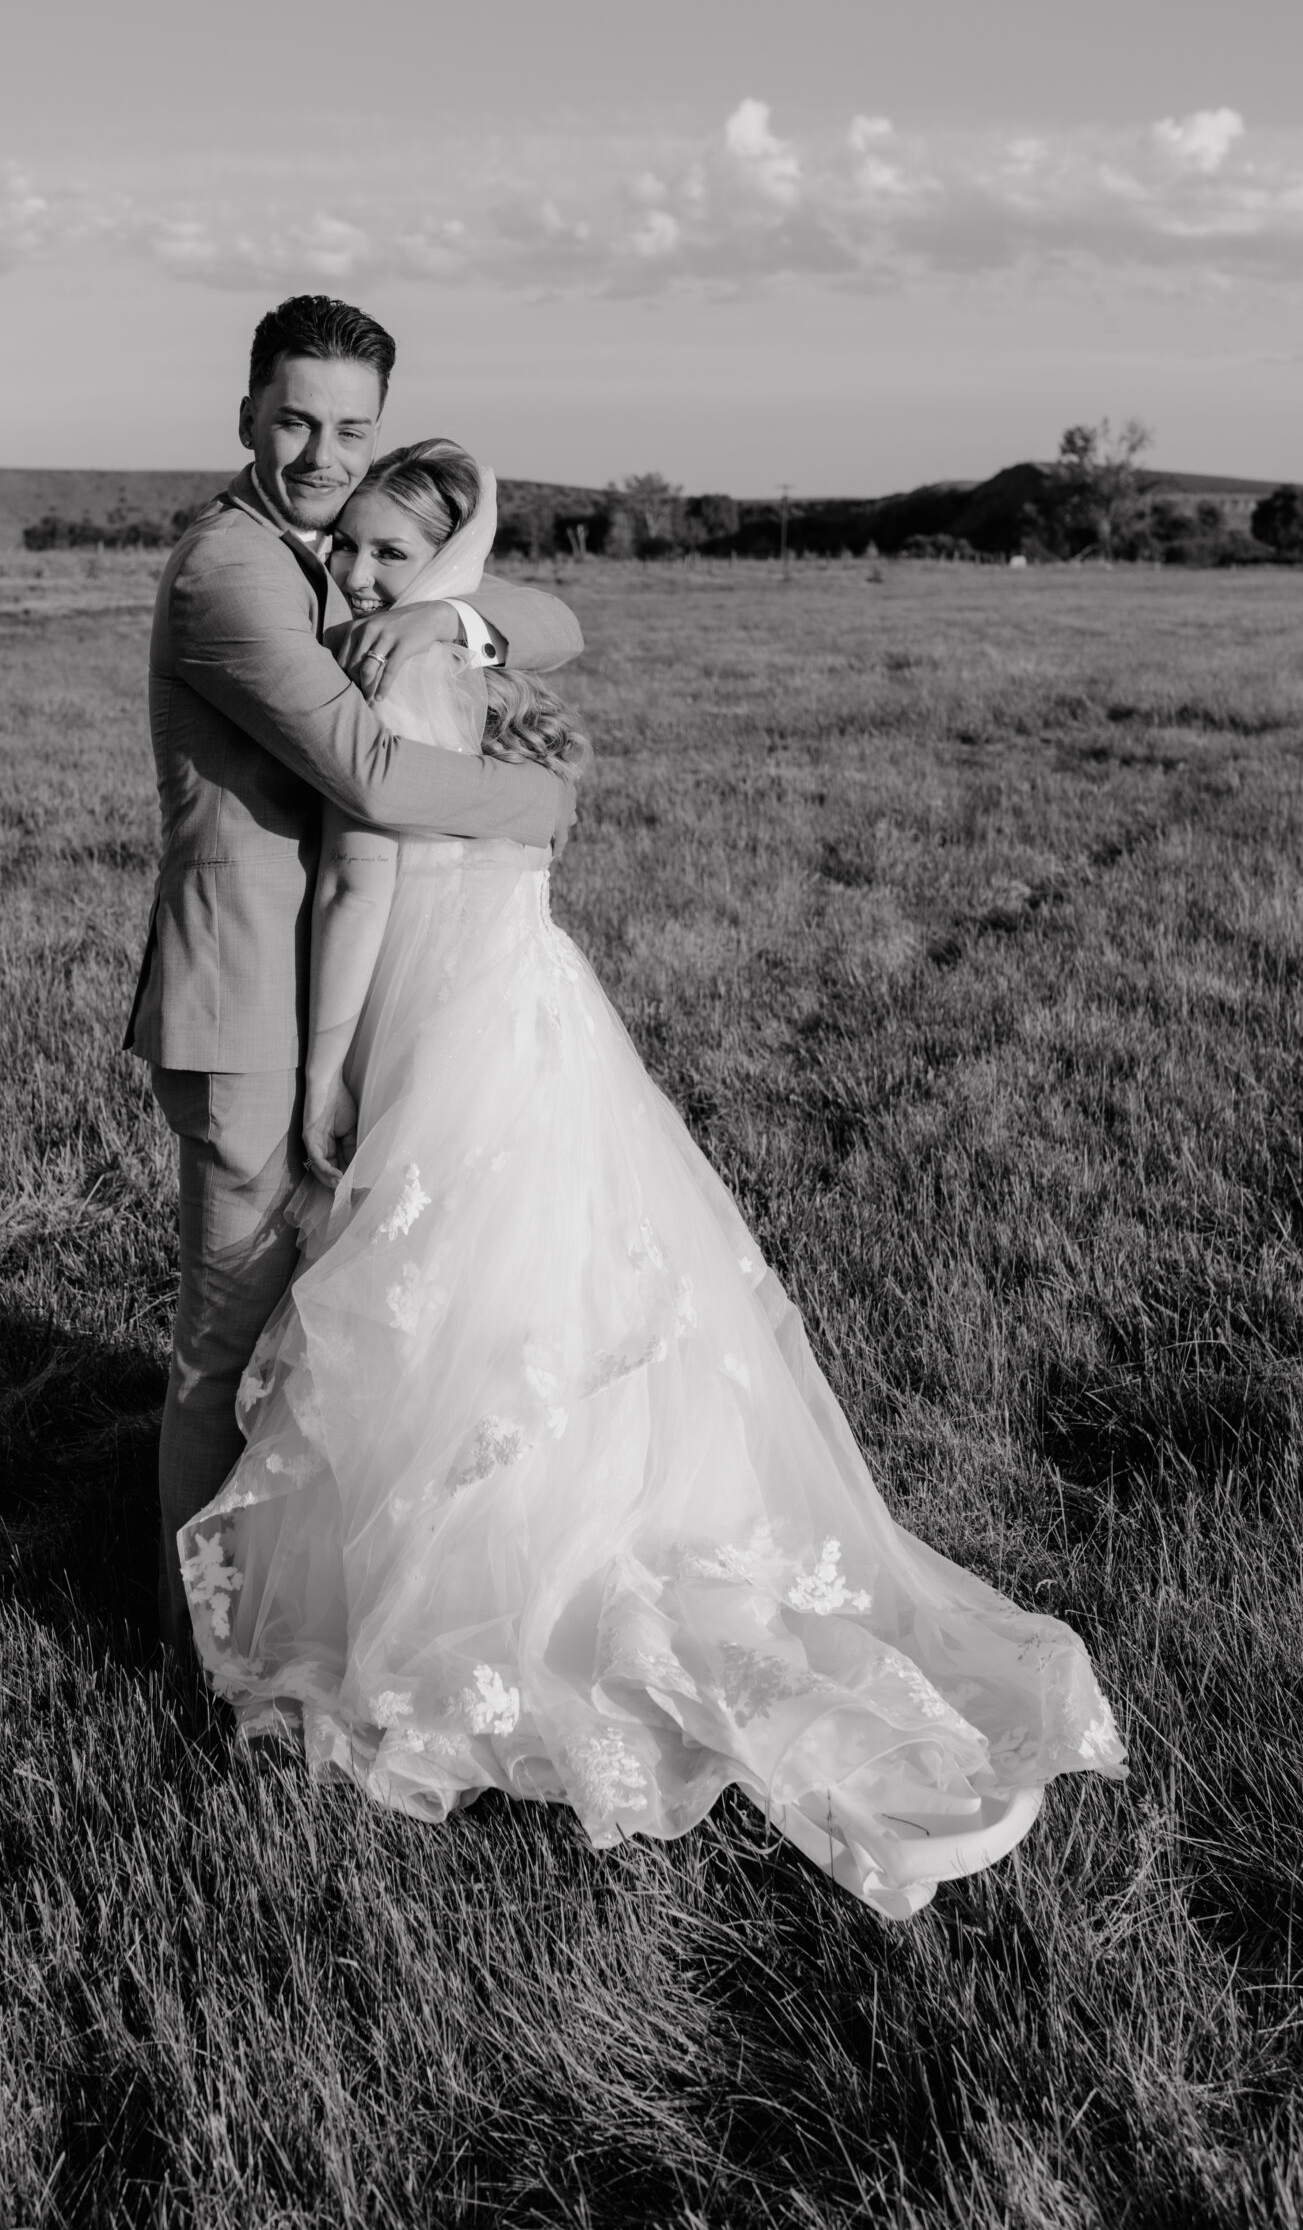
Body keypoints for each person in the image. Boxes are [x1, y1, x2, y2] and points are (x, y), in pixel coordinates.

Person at [177, 440, 1127, 1922]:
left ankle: (453, 1598)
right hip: (530, 1003)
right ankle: (544, 1540)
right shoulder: (478, 667)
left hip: (435, 1015)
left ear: (444, 563)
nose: (354, 573)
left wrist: (321, 1078)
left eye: (385, 551)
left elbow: (363, 876)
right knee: (543, 1283)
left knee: (451, 1297)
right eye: (347, 545)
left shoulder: (398, 663)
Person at [124, 297, 582, 1659]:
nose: (323, 455)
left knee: (315, 1329)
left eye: (352, 429)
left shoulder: (334, 554)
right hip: (250, 1001)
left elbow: (556, 619)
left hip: (352, 992)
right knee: (228, 1339)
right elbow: (370, 775)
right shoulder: (233, 570)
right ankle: (188, 1643)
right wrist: (543, 806)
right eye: (297, 422)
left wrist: (453, 624)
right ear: (246, 415)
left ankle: (291, 1604)